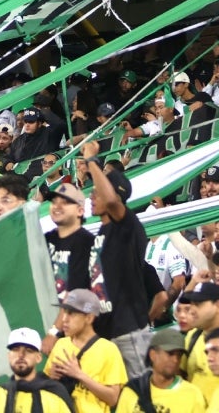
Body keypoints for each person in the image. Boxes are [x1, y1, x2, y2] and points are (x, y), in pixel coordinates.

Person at [76, 138, 151, 376]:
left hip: (129, 331)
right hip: (105, 333)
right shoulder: (100, 233)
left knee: (141, 398)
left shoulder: (128, 224)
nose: (91, 197)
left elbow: (110, 200)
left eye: (96, 193)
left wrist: (91, 161)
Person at [44, 288, 127, 413]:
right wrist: (51, 377)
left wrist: (79, 375)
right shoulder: (60, 344)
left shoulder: (108, 349)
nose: (64, 319)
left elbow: (113, 399)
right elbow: (46, 390)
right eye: (64, 312)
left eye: (71, 313)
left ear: (89, 318)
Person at [109, 328, 205, 413]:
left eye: (179, 355)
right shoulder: (133, 390)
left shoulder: (192, 394)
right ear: (153, 355)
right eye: (170, 354)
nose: (175, 360)